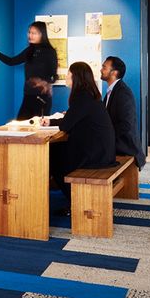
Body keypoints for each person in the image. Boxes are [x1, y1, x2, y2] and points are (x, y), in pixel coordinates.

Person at [45, 61, 116, 212]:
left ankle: (75, 201)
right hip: (101, 150)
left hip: (96, 155)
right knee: (57, 150)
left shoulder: (81, 98)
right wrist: (51, 121)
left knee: (52, 155)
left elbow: (65, 125)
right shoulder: (90, 95)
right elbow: (71, 120)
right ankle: (70, 196)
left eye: (68, 75)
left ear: (76, 77)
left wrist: (55, 120)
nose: (66, 78)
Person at [0, 21, 57, 119]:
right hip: (28, 96)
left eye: (34, 33)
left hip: (42, 98)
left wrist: (44, 83)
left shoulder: (50, 52)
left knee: (39, 129)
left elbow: (54, 75)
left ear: (42, 34)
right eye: (29, 32)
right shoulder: (29, 51)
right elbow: (11, 61)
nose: (30, 35)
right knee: (21, 125)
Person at [100, 56, 146, 167]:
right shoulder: (111, 92)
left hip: (124, 148)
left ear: (114, 73)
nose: (101, 70)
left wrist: (107, 138)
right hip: (116, 145)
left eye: (104, 67)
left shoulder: (122, 93)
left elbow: (126, 125)